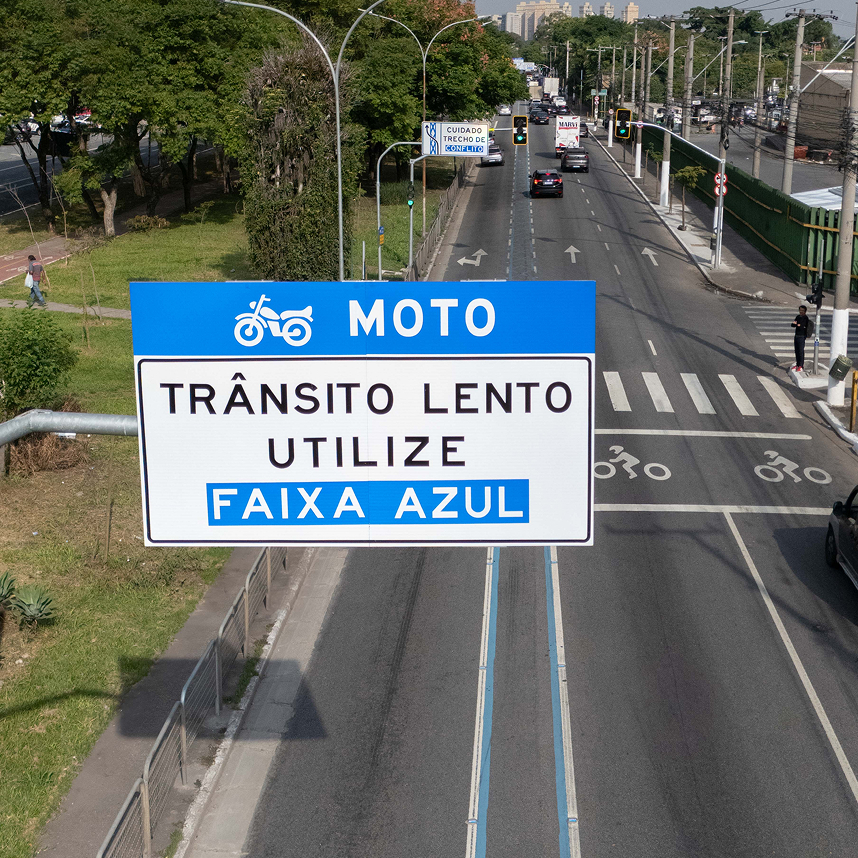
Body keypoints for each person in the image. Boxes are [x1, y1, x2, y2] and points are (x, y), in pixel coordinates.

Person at [791, 304, 810, 371]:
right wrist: (797, 325)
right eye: (800, 310)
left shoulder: (805, 318)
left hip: (802, 336)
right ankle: (797, 364)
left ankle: (801, 365)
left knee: (801, 351)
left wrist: (798, 325)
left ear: (805, 311)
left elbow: (802, 327)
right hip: (796, 335)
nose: (801, 312)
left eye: (802, 310)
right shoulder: (798, 317)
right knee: (796, 350)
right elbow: (793, 324)